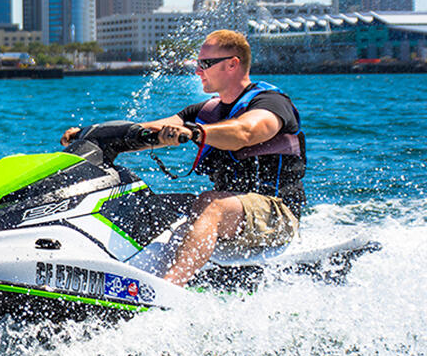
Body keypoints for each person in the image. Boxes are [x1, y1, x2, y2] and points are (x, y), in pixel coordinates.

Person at [63, 29, 306, 286]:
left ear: (233, 64)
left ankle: (169, 288)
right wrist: (89, 134)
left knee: (212, 205)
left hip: (277, 214)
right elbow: (149, 129)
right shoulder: (206, 111)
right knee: (140, 204)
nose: (197, 70)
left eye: (205, 64)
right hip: (233, 212)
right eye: (197, 63)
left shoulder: (271, 102)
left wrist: (196, 133)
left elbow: (246, 131)